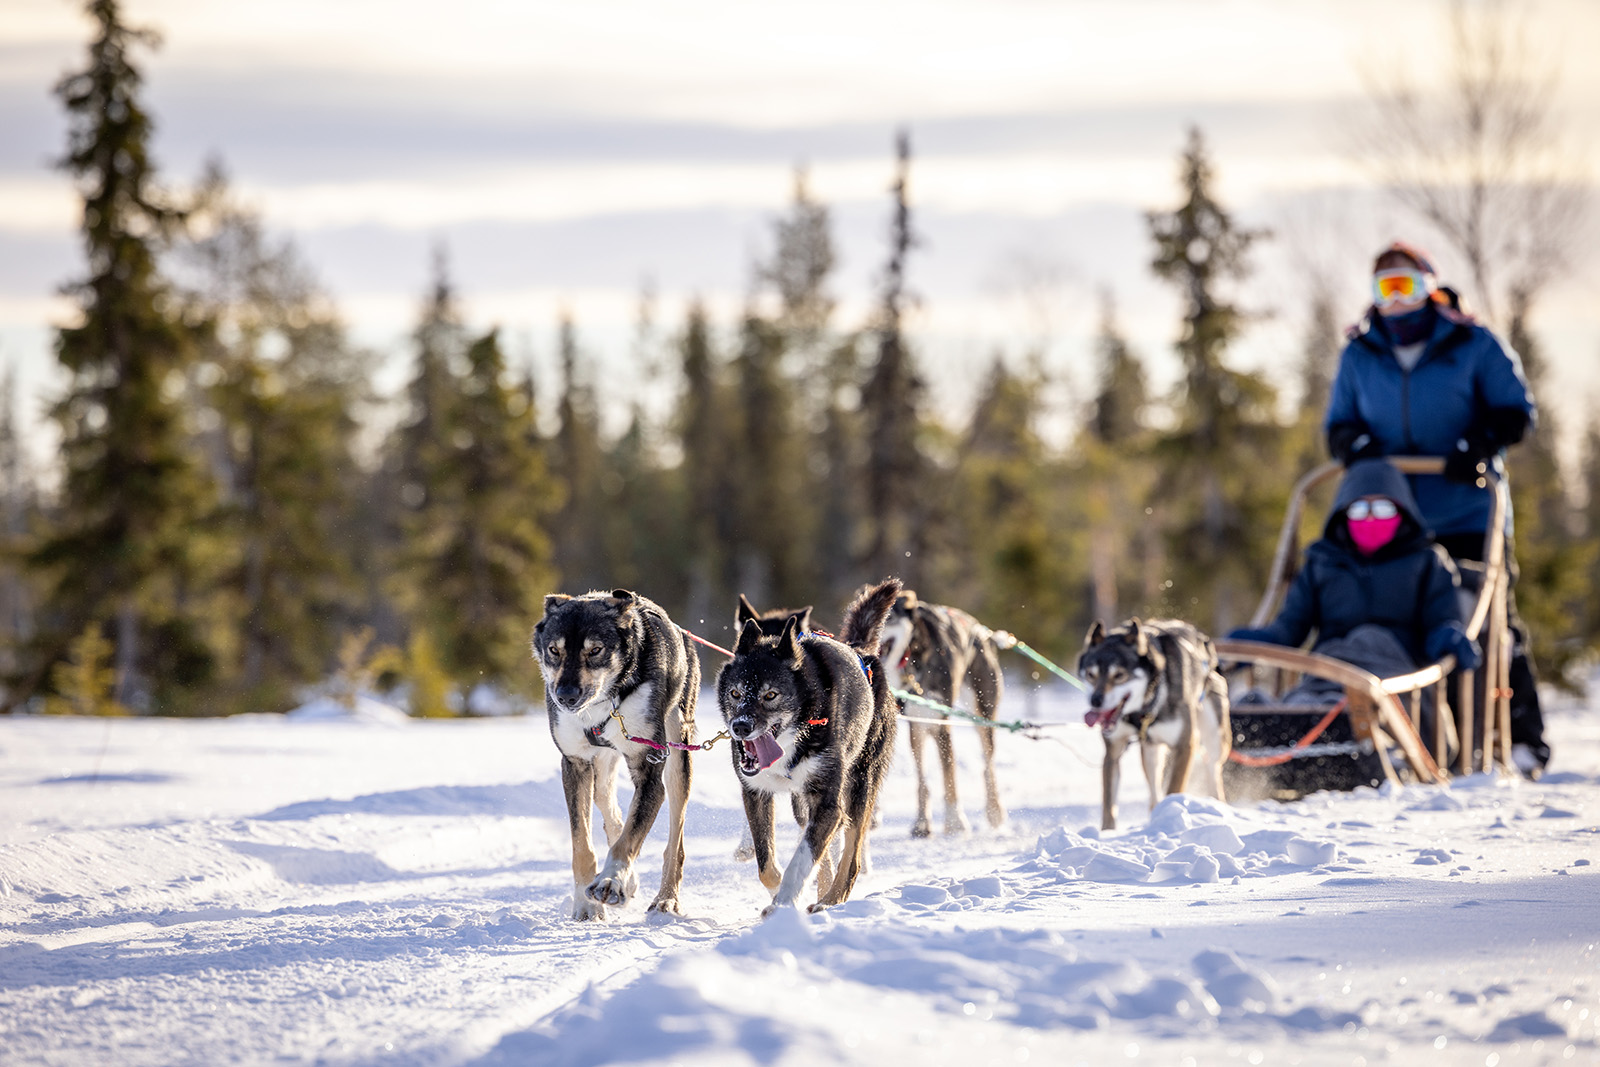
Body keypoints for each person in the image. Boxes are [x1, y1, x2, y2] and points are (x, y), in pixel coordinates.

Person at [1322, 241, 1546, 776]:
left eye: (1408, 286)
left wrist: (1475, 444)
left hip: (1467, 510)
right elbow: (1339, 426)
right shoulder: (1360, 353)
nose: (1398, 301)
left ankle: (1522, 739)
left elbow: (1516, 412)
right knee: (1399, 622)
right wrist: (1358, 449)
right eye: (1386, 288)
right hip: (1390, 522)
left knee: (1487, 623)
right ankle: (1424, 739)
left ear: (1430, 286)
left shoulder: (1471, 343)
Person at [1229, 459, 1480, 716]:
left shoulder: (1427, 562)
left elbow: (1441, 619)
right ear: (1343, 513)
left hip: (1397, 678)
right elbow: (1289, 630)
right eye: (1359, 510)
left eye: (1382, 509)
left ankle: (1334, 723)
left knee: (1368, 652)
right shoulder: (1322, 562)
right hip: (1329, 669)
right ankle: (1284, 719)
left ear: (1402, 511)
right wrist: (1247, 645)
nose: (1370, 518)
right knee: (1310, 698)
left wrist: (1446, 637)